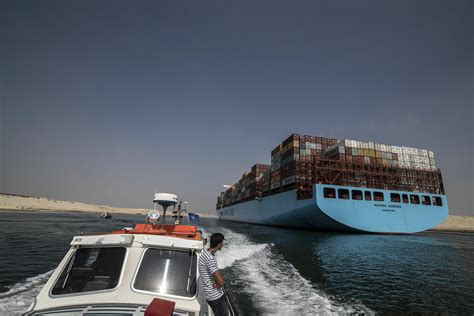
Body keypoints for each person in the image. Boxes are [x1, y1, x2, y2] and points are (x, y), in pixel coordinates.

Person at [198, 233, 228, 316]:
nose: (223, 244)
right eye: (222, 242)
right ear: (219, 244)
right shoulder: (210, 258)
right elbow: (221, 282)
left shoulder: (206, 253)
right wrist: (218, 284)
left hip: (210, 295)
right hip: (215, 297)